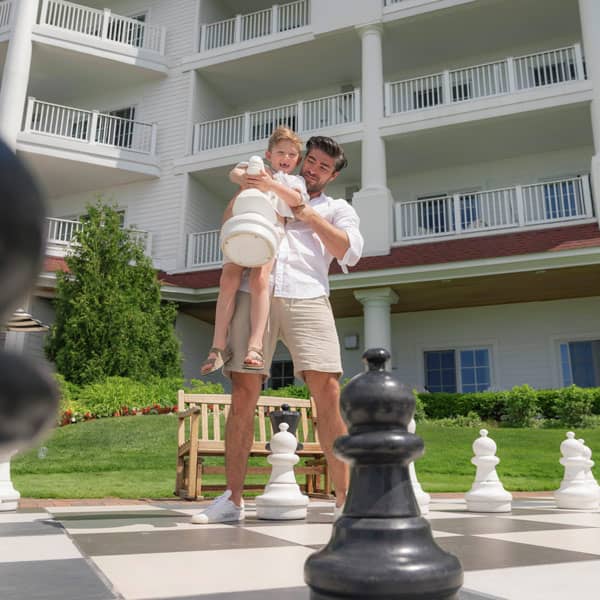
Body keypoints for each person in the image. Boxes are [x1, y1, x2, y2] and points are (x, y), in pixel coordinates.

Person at [192, 135, 364, 524]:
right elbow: (231, 223)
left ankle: (345, 501)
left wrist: (306, 212)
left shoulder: (338, 208)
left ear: (332, 175)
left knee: (328, 389)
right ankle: (233, 500)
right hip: (256, 296)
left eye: (323, 166)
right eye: (311, 160)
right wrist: (249, 186)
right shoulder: (272, 186)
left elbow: (348, 250)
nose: (313, 168)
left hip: (308, 297)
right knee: (243, 388)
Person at [200, 127, 309, 375]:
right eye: (281, 152)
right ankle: (217, 346)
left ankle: (255, 346)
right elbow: (235, 172)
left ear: (297, 160)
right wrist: (246, 178)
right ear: (268, 154)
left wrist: (269, 184)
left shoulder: (294, 181)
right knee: (228, 279)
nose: (286, 157)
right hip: (241, 227)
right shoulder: (256, 167)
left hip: (269, 232)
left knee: (261, 279)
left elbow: (296, 200)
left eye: (292, 155)